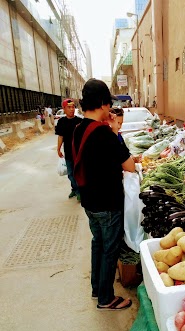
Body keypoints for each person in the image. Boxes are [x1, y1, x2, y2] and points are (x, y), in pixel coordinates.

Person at [72, 78, 135, 311]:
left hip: (90, 201)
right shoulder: (104, 134)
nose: (110, 109)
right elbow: (128, 166)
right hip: (108, 202)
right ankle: (106, 298)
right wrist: (115, 131)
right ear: (101, 103)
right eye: (108, 104)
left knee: (98, 243)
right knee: (110, 249)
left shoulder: (79, 129)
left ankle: (97, 288)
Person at [55, 99, 81, 201]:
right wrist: (58, 148)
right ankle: (74, 189)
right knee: (70, 173)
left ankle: (79, 191)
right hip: (68, 152)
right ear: (64, 109)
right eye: (69, 107)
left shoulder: (79, 121)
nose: (71, 109)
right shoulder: (61, 122)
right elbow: (60, 136)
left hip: (78, 152)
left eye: (73, 107)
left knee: (77, 173)